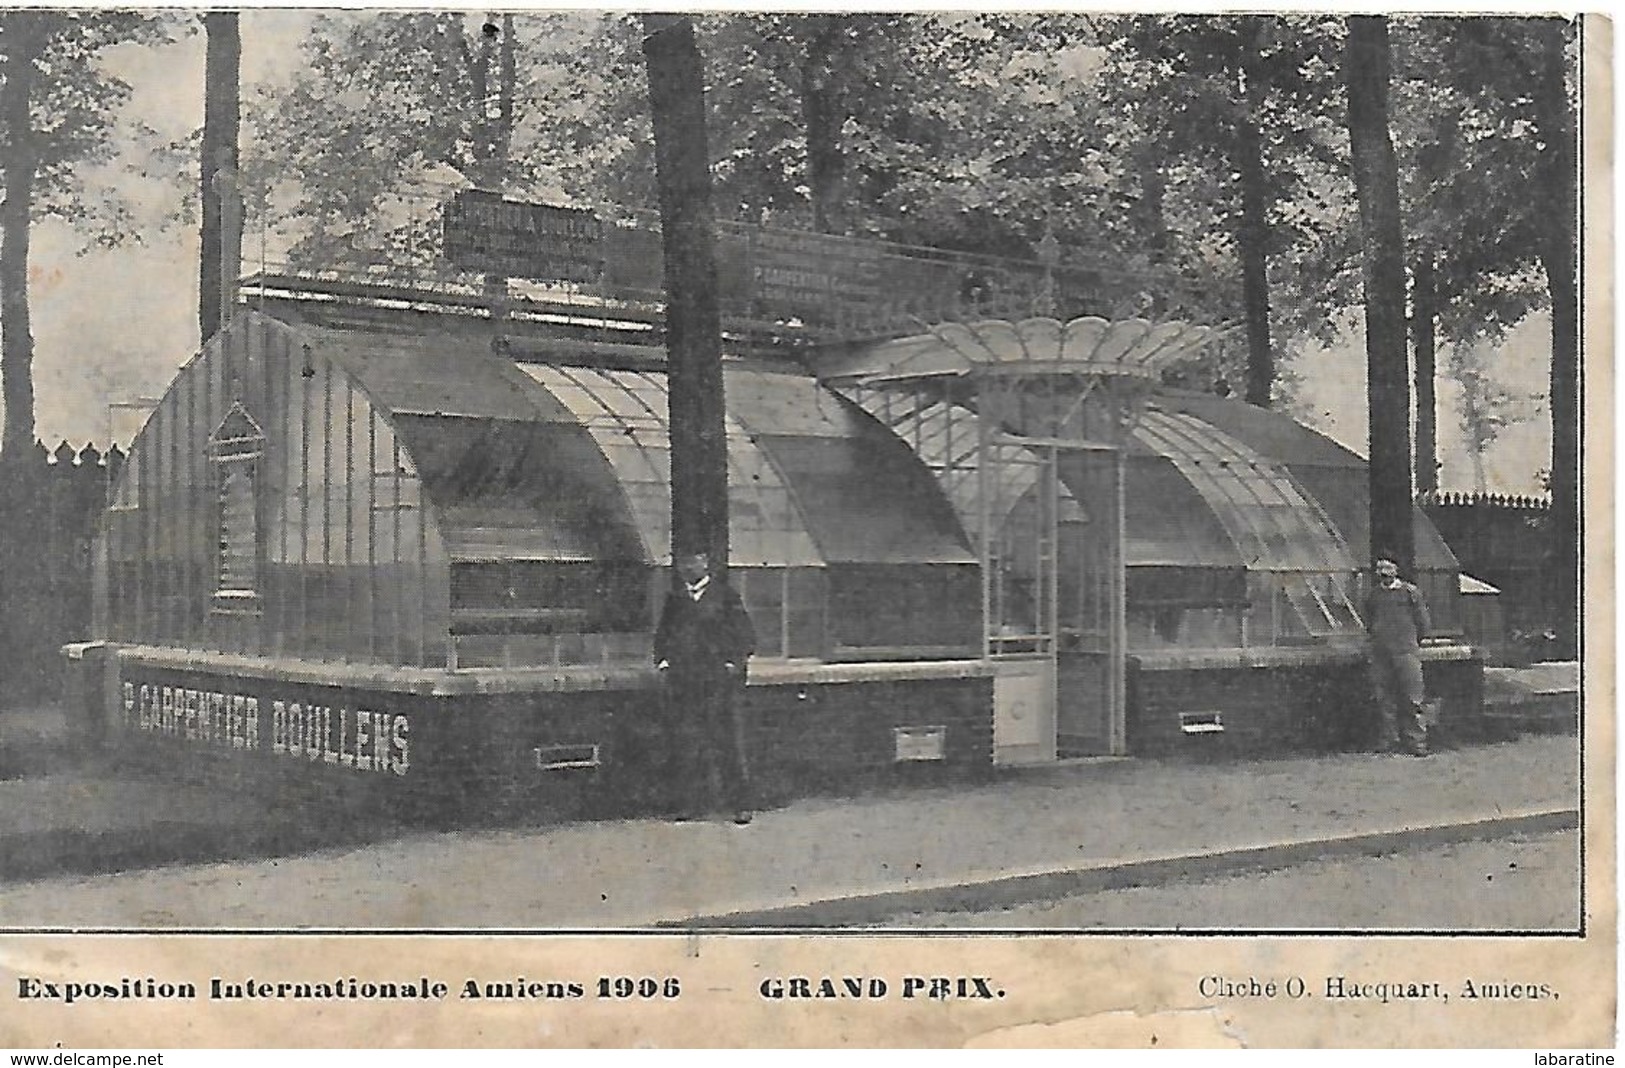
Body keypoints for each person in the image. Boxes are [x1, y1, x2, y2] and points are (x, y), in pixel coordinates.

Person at [654, 551, 757, 823]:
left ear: (705, 563)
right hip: (685, 682)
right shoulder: (675, 601)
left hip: (719, 685)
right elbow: (663, 635)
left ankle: (740, 805)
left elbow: (746, 635)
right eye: (683, 563)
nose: (688, 567)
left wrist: (732, 664)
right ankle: (689, 804)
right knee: (688, 743)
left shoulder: (726, 597)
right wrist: (664, 663)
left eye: (693, 561)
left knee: (729, 743)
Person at [1363, 557, 1433, 756]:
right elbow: (1369, 620)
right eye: (1380, 568)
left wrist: (1411, 643)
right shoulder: (1374, 595)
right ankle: (1388, 741)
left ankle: (1417, 743)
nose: (1384, 572)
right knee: (1385, 698)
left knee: (1413, 699)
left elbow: (1423, 623)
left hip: (1406, 652)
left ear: (1396, 569)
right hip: (1381, 654)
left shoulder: (1410, 593)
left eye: (1388, 567)